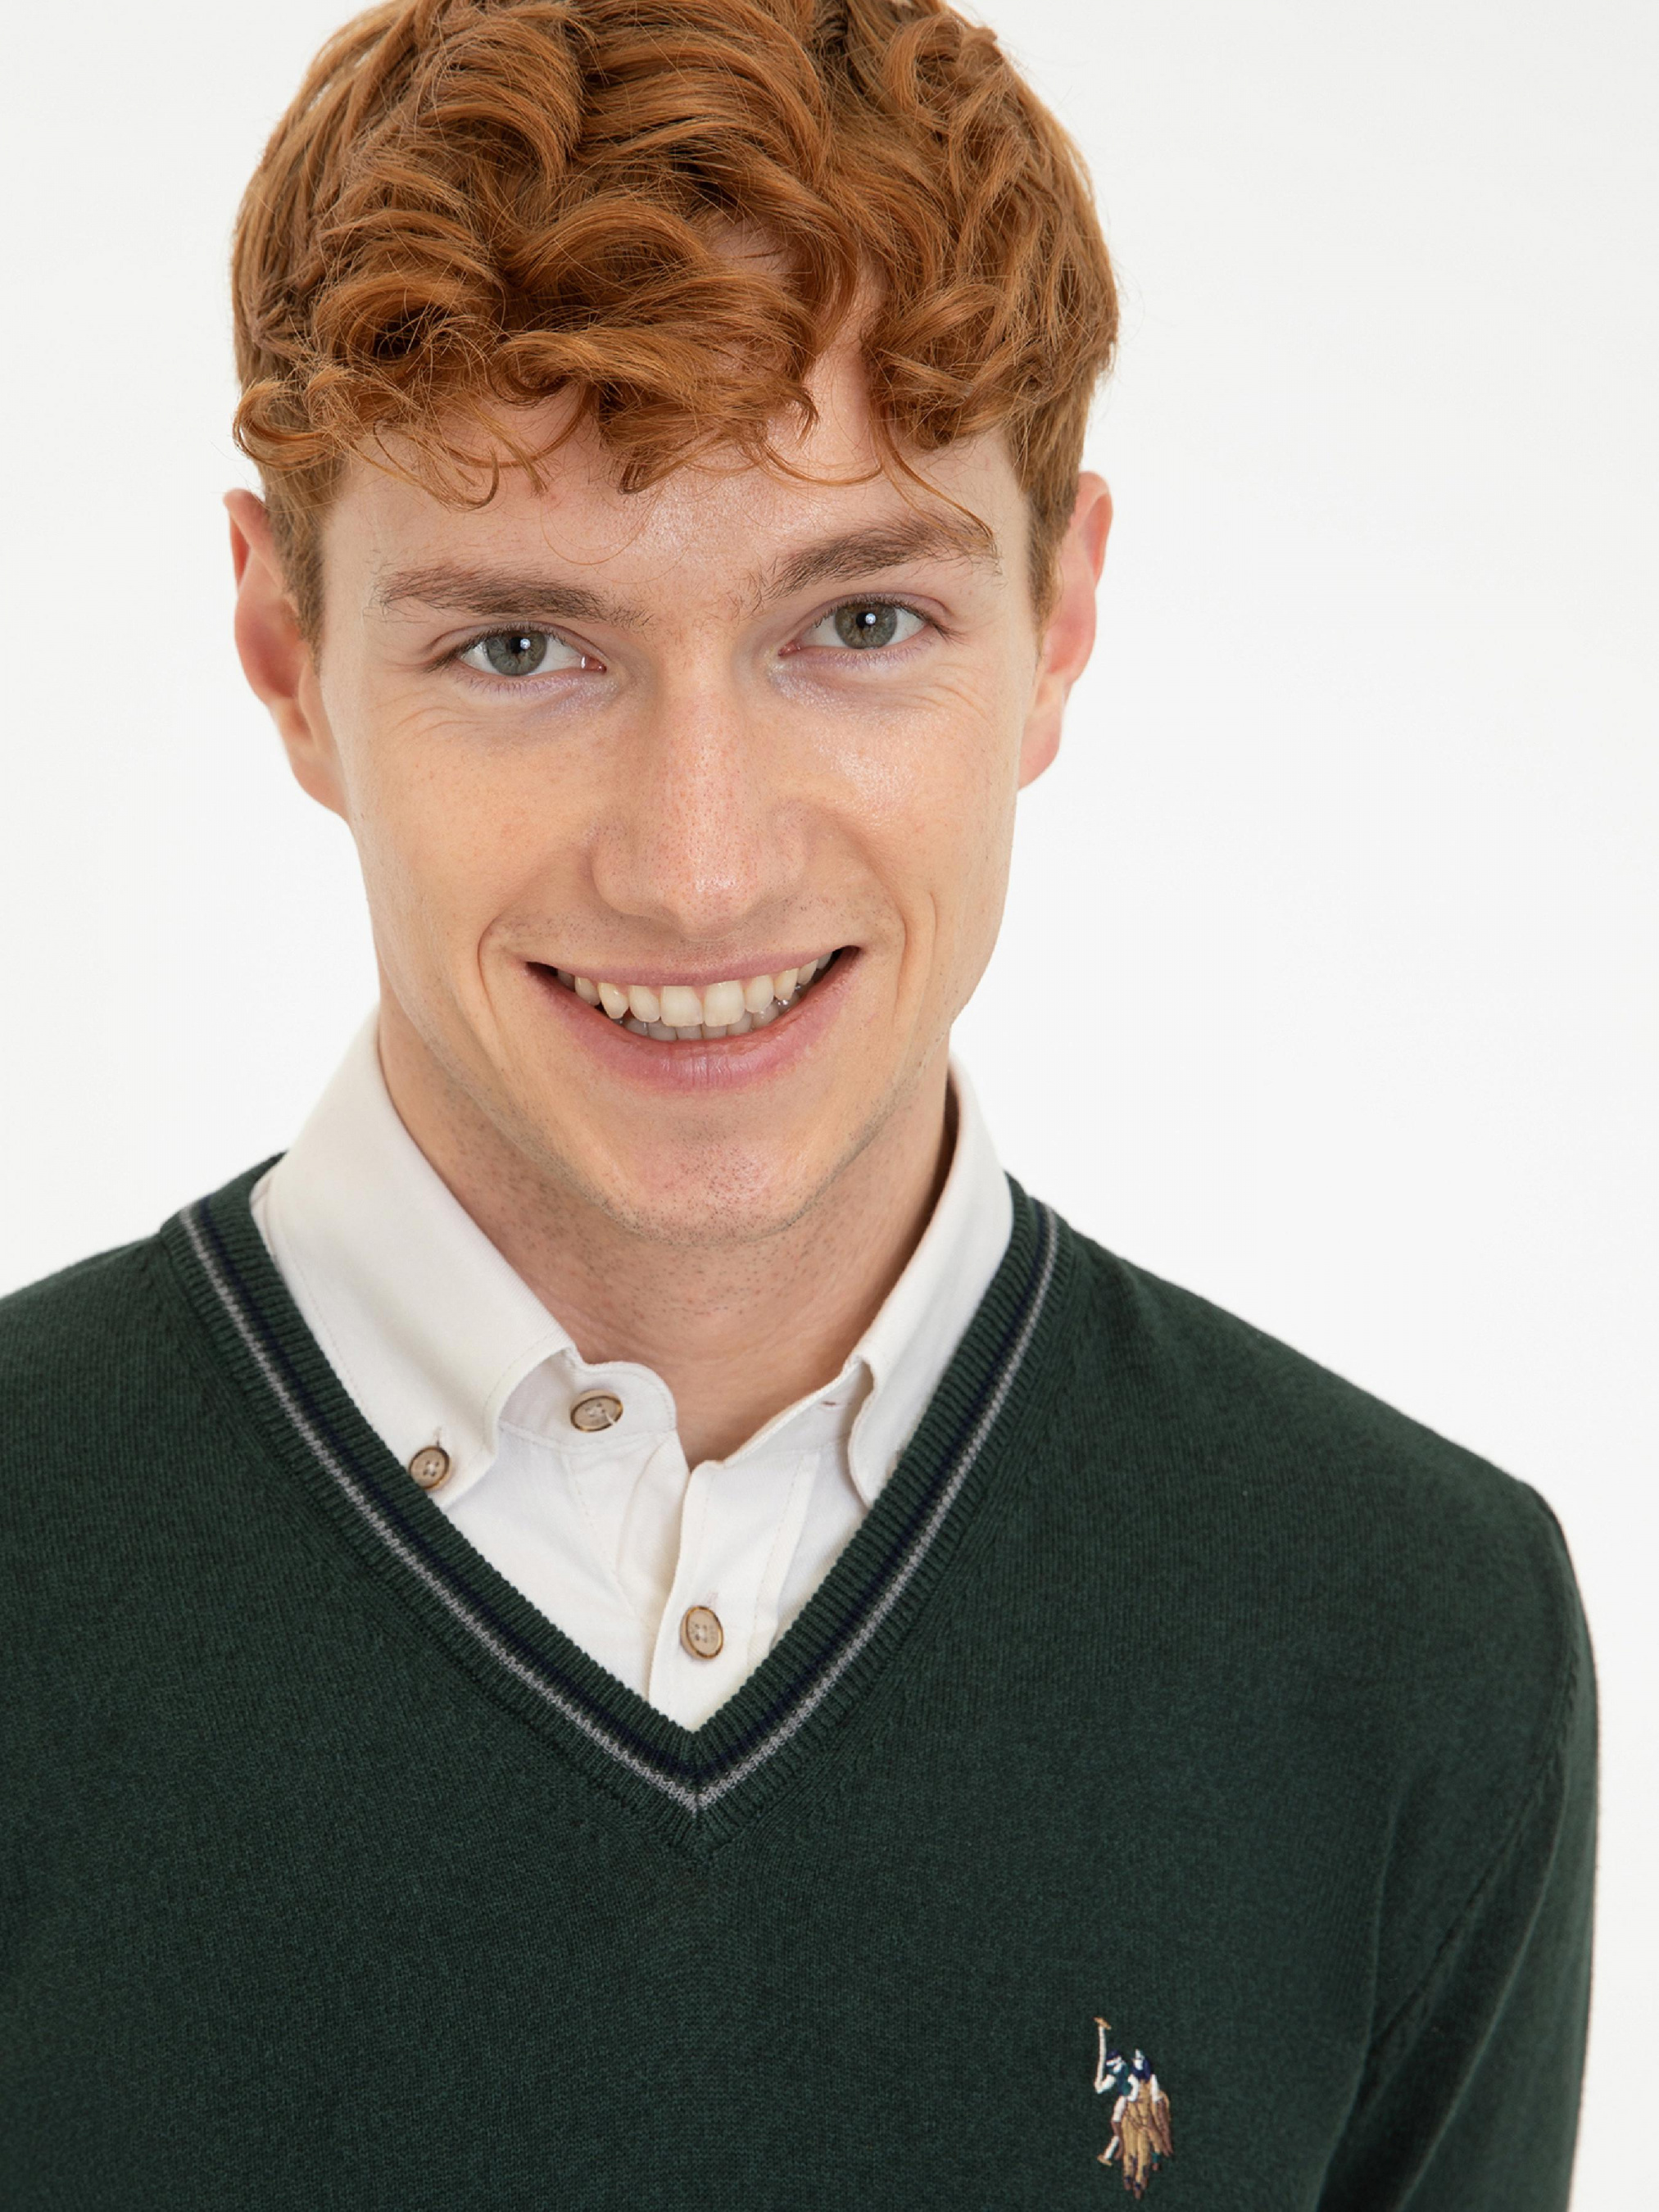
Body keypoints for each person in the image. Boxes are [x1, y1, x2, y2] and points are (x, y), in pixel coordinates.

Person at [0, 2, 1593, 2204]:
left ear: (1057, 623)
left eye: (855, 624)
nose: (700, 865)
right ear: (288, 658)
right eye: (520, 648)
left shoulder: (1411, 1643)